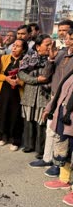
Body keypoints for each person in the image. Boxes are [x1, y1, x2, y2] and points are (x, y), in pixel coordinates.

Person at [30, 29, 73, 178]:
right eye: (68, 39)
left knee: (61, 135)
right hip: (55, 98)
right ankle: (47, 159)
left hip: (68, 101)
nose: (69, 42)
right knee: (50, 130)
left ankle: (57, 164)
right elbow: (46, 76)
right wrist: (51, 60)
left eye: (71, 39)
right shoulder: (60, 54)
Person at [18, 34, 54, 159]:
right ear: (38, 47)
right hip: (29, 94)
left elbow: (48, 76)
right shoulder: (28, 57)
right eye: (47, 44)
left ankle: (41, 149)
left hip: (44, 96)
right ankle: (29, 145)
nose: (50, 47)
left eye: (51, 44)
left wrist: (41, 78)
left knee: (41, 123)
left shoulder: (53, 59)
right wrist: (36, 80)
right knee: (28, 121)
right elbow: (21, 74)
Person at [41, 68, 73, 206]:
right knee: (63, 149)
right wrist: (49, 108)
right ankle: (64, 180)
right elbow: (60, 94)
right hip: (63, 117)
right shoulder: (71, 73)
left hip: (71, 119)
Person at [0, 39, 28, 151]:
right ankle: (3, 136)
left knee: (16, 116)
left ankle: (15, 140)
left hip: (17, 93)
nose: (14, 48)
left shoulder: (26, 61)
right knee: (2, 113)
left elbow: (28, 78)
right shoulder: (4, 58)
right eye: (14, 45)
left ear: (23, 50)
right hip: (4, 91)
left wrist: (19, 82)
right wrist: (6, 78)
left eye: (18, 46)